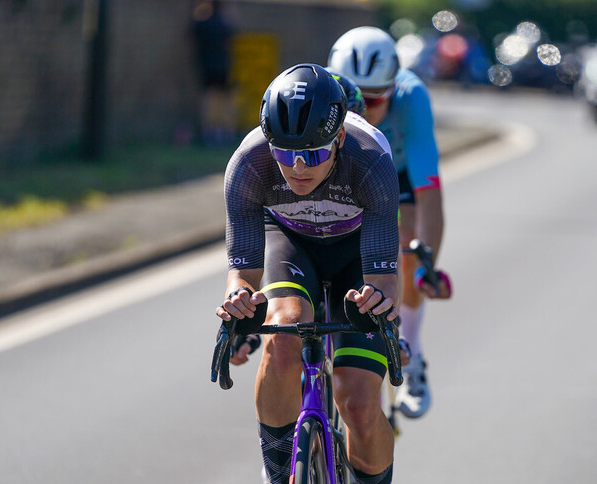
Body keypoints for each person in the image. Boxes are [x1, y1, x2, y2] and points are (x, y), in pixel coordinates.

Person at [215, 64, 400, 484]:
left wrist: (380, 303)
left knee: (357, 403)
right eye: (284, 153)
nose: (298, 168)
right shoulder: (248, 163)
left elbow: (385, 280)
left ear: (338, 139)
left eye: (313, 154)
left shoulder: (370, 159)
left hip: (357, 253)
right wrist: (240, 300)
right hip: (291, 242)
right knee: (282, 336)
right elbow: (242, 272)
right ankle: (279, 473)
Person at [328, 26, 452, 419]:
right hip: (342, 174)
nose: (362, 109)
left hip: (394, 175)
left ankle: (411, 353)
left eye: (375, 99)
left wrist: (426, 260)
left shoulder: (411, 98)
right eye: (353, 100)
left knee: (408, 241)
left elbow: (428, 189)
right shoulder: (322, 93)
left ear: (393, 89)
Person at [190, 0, 235, 145]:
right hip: (223, 66)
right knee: (224, 101)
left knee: (208, 100)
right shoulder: (222, 24)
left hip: (206, 66)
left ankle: (208, 133)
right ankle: (224, 133)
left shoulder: (203, 23)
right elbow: (232, 36)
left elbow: (192, 33)